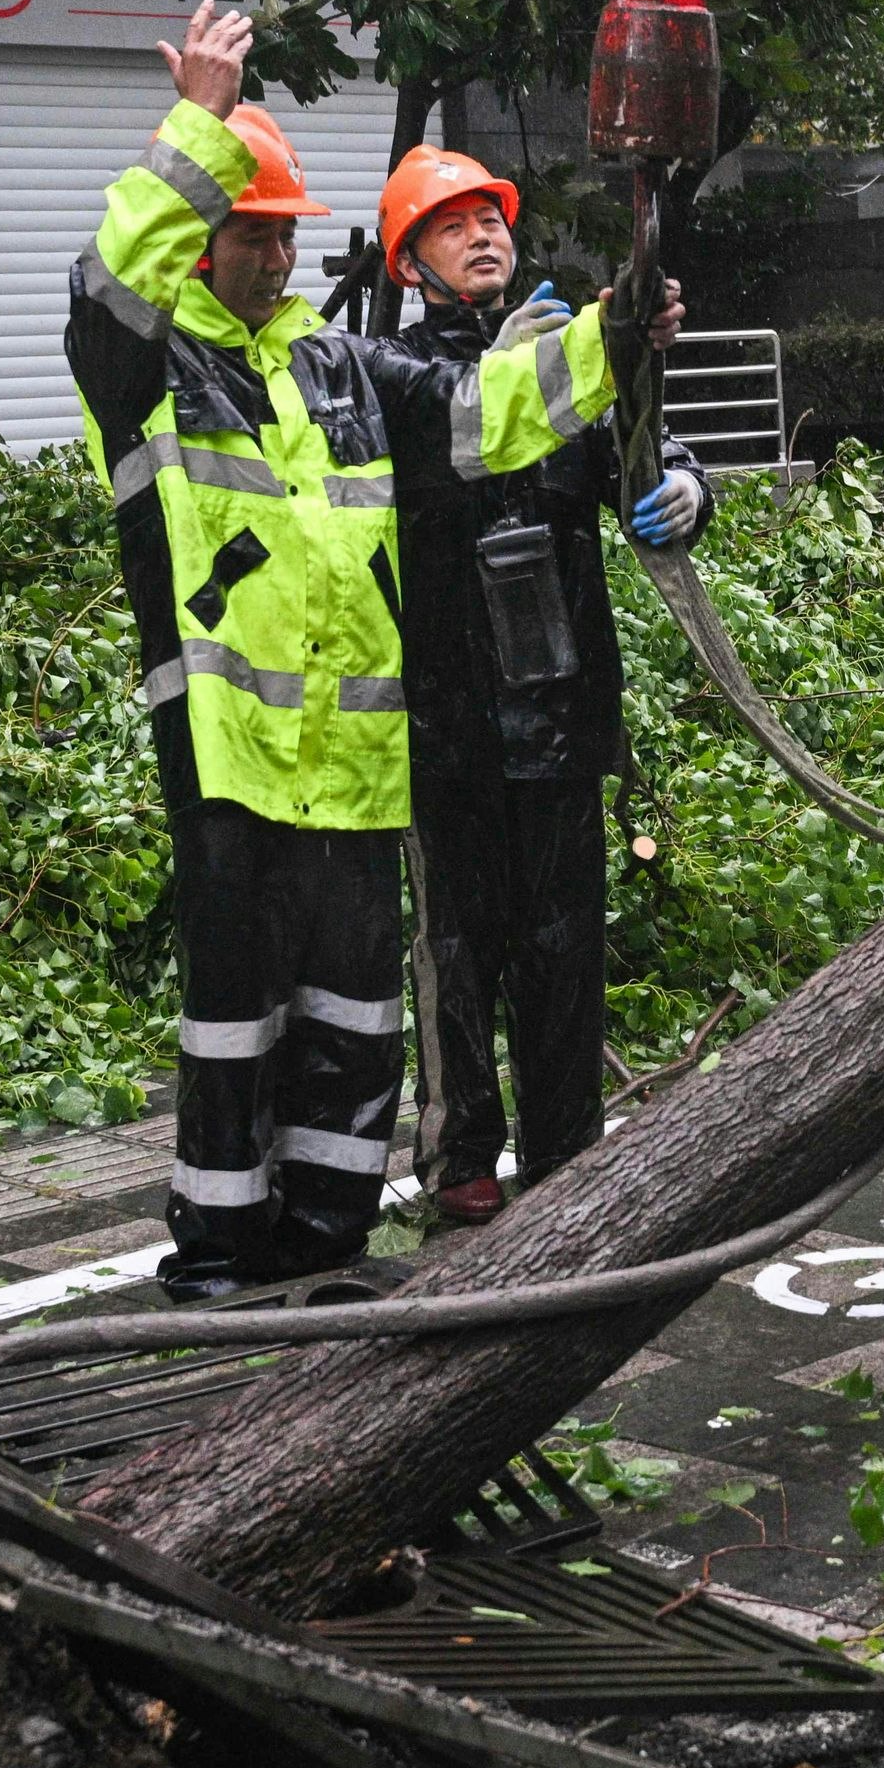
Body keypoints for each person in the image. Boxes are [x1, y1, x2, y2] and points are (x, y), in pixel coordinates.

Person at [69, 3, 657, 1292]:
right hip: (231, 763)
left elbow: (484, 413)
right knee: (239, 1031)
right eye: (251, 233)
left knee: (354, 1027)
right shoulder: (147, 367)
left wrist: (609, 344)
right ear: (202, 238)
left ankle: (328, 1250)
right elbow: (106, 276)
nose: (274, 256)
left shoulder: (342, 368)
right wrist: (201, 130)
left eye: (284, 234)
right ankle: (221, 1263)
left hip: (352, 767)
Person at [379, 144, 710, 1226]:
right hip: (447, 719)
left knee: (564, 942)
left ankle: (567, 1152)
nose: (483, 236)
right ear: (407, 264)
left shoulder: (574, 363)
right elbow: (470, 415)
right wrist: (578, 352)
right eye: (451, 225)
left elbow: (653, 451)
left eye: (492, 220)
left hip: (562, 711)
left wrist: (682, 492)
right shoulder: (387, 380)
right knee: (459, 950)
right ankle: (463, 1159)